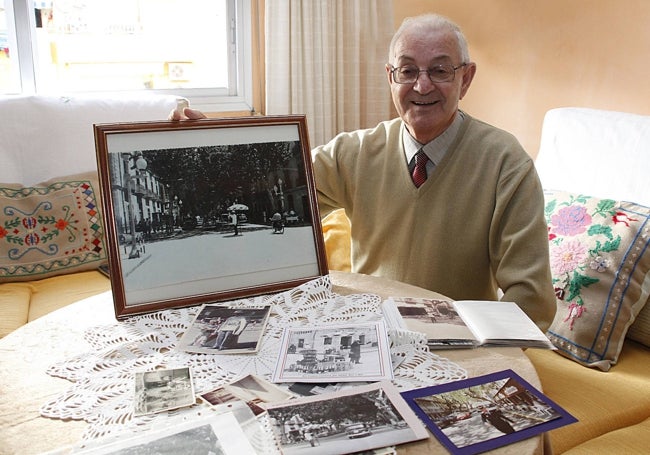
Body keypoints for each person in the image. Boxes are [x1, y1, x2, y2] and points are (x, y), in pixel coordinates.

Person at [170, 13, 555, 331]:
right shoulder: (354, 152)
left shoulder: (506, 164)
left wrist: (465, 342)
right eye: (407, 71)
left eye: (439, 70)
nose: (422, 85)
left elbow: (532, 301)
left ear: (465, 78)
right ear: (390, 77)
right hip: (369, 335)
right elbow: (270, 184)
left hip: (459, 344)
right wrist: (210, 138)